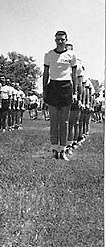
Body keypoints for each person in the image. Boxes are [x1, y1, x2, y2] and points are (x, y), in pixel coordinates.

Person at [43, 31, 77, 161]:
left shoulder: (71, 55)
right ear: (55, 40)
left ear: (66, 40)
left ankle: (62, 150)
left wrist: (75, 92)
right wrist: (45, 90)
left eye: (62, 39)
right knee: (53, 121)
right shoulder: (49, 55)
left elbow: (73, 75)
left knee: (64, 121)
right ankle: (54, 150)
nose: (60, 41)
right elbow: (45, 73)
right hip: (53, 87)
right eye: (58, 39)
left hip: (66, 88)